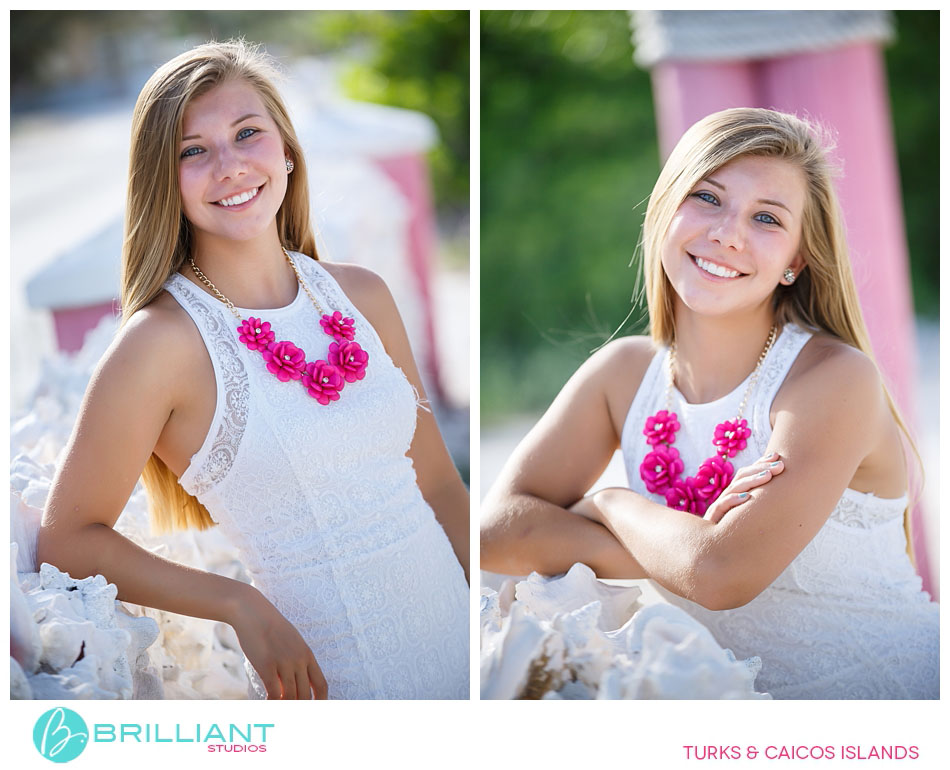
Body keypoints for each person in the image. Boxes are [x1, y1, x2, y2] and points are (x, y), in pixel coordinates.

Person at [37, 39, 470, 700]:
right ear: (163, 180)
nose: (230, 166)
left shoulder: (363, 294)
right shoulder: (159, 344)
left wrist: (487, 624)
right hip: (335, 680)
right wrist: (237, 603)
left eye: (247, 133)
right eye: (193, 151)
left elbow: (437, 482)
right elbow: (66, 540)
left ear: (287, 149)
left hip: (457, 642)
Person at [481, 107, 937, 699]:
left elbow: (721, 575)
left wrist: (611, 502)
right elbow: (495, 532)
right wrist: (685, 549)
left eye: (767, 218)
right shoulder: (623, 373)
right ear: (665, 209)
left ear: (795, 262)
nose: (728, 233)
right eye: (707, 197)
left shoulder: (833, 378)